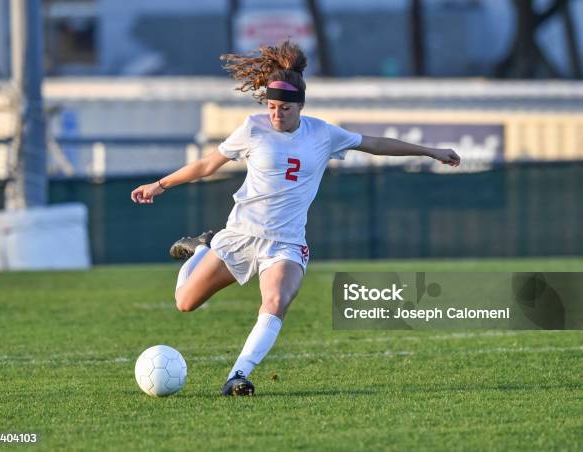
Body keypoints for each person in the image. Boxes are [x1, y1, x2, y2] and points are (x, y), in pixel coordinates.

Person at [130, 41, 460, 396]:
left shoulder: (322, 133)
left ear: (300, 106)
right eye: (271, 106)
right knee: (185, 303)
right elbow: (207, 165)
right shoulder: (253, 128)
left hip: (286, 243)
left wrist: (431, 151)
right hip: (241, 235)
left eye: (284, 108)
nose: (276, 114)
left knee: (274, 303)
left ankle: (237, 375)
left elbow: (375, 144)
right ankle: (200, 250)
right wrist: (161, 184)